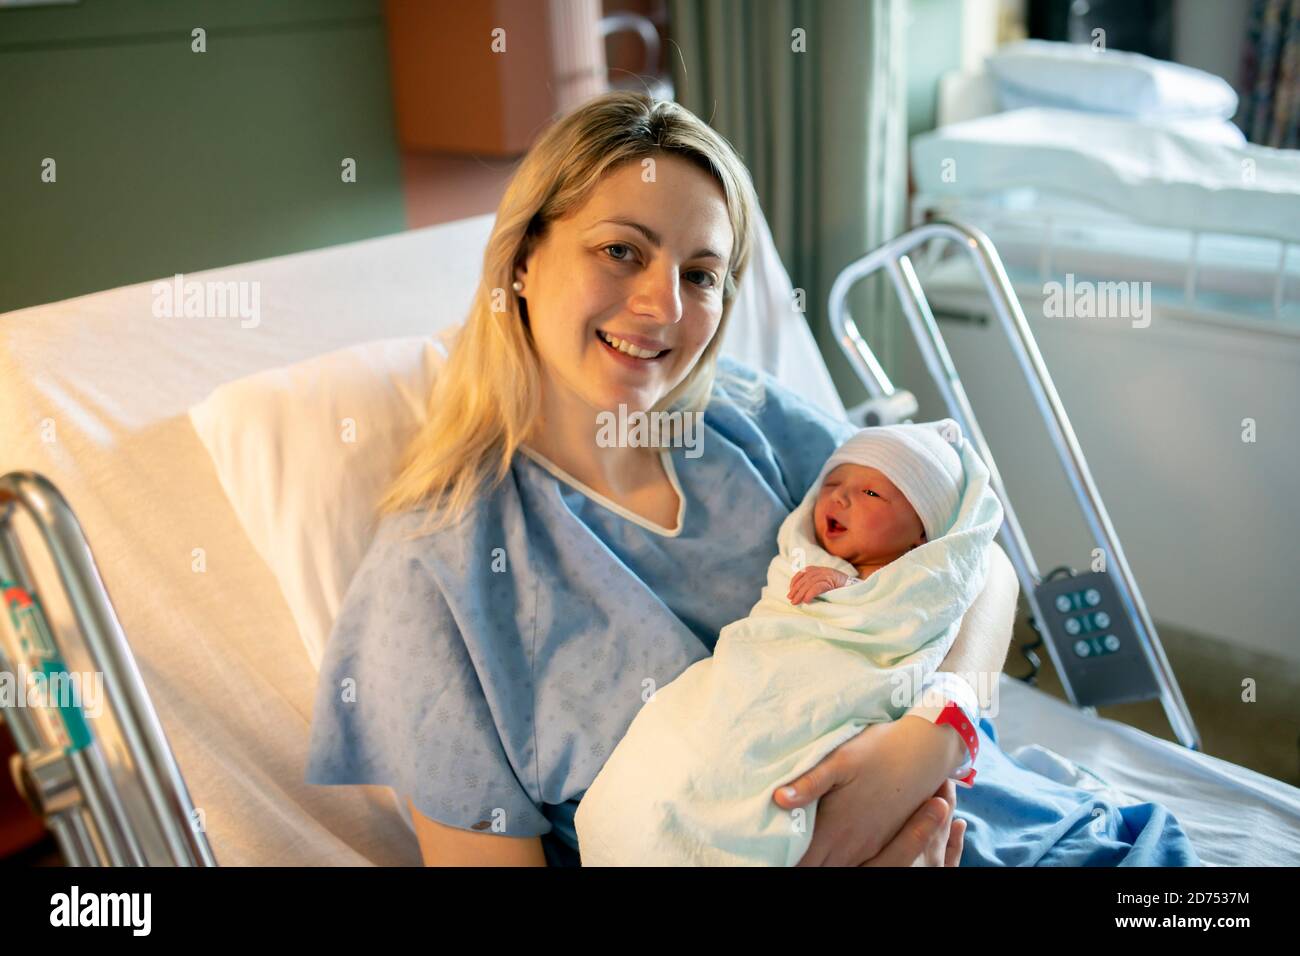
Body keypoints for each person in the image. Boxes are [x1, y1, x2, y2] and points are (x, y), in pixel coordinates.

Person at [305, 91, 1198, 866]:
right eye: (621, 250)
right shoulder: (437, 575)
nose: (663, 305)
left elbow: (980, 566)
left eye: (702, 274)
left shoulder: (742, 419)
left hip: (1037, 829)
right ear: (524, 261)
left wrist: (936, 736)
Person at [574, 420, 1005, 865]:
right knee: (676, 740)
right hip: (761, 673)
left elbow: (980, 568)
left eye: (872, 494)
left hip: (903, 751)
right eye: (833, 483)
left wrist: (938, 732)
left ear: (923, 533)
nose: (839, 496)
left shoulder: (918, 581)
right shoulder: (810, 558)